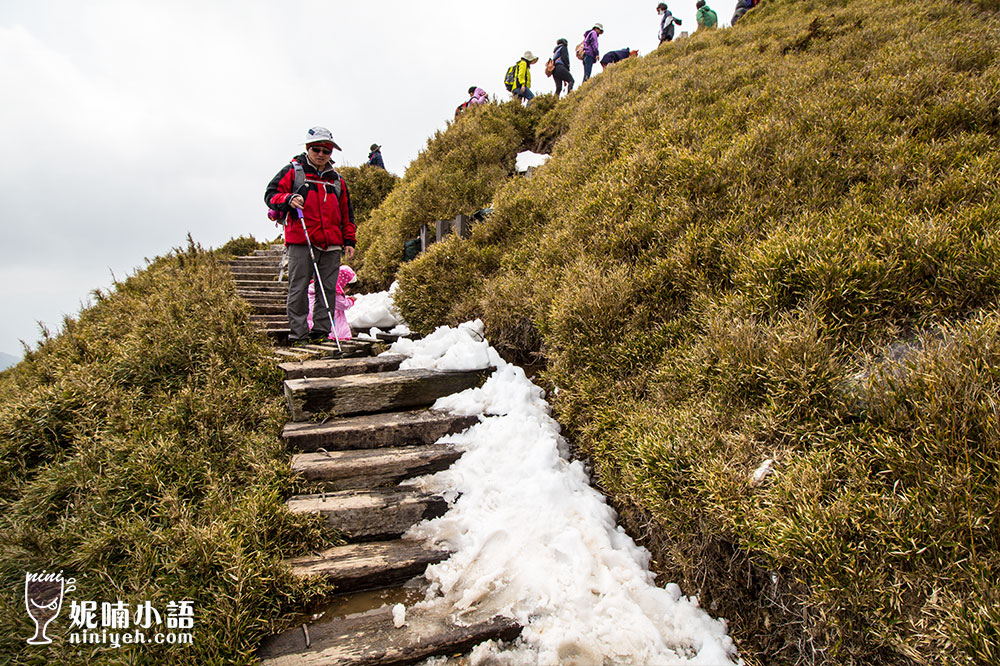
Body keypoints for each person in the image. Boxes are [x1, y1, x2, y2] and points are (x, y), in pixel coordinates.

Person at [265, 126, 356, 346]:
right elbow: (271, 194)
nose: (321, 154)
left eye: (327, 151)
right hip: (301, 240)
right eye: (317, 149)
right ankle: (299, 336)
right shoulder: (292, 171)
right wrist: (288, 198)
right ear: (308, 148)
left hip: (332, 242)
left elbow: (347, 213)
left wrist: (349, 240)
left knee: (328, 290)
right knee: (299, 287)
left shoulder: (337, 181)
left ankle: (321, 334)